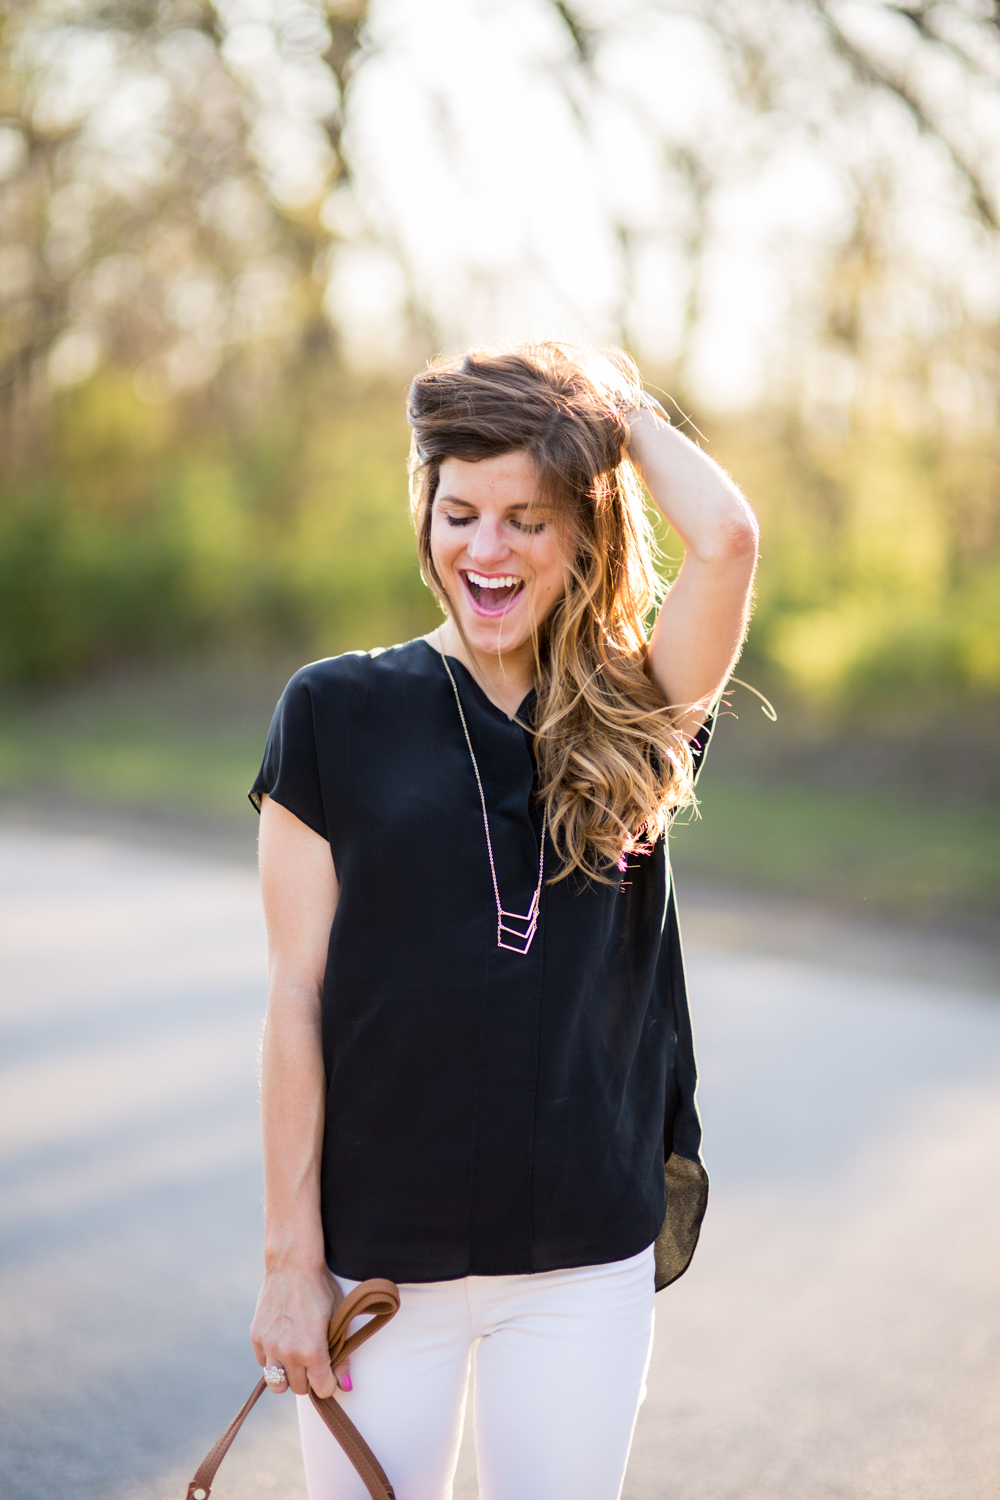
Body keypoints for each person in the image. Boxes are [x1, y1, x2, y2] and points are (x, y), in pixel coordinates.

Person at [247, 342, 758, 1500]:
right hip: (380, 1264)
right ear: (423, 515)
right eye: (461, 510)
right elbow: (294, 996)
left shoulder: (639, 709)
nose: (488, 549)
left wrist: (601, 412)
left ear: (582, 531)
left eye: (529, 518)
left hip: (582, 1261)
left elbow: (727, 540)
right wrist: (290, 1264)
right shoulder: (333, 709)